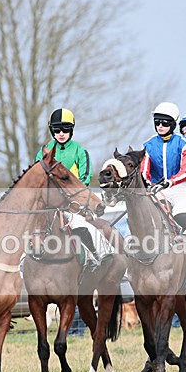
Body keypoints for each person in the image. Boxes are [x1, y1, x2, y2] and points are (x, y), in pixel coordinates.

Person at [35, 108, 114, 270]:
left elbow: (85, 177)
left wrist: (71, 196)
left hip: (74, 200)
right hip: (49, 202)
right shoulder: (44, 151)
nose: (61, 133)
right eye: (57, 130)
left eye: (66, 129)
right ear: (52, 131)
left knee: (77, 222)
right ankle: (22, 263)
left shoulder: (79, 150)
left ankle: (97, 254)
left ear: (72, 130)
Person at [141, 102, 186, 257]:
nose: (160, 126)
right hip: (157, 189)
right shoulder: (148, 145)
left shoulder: (185, 144)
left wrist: (170, 182)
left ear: (173, 124)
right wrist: (147, 183)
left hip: (179, 188)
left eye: (164, 122)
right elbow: (144, 170)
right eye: (157, 122)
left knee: (180, 215)